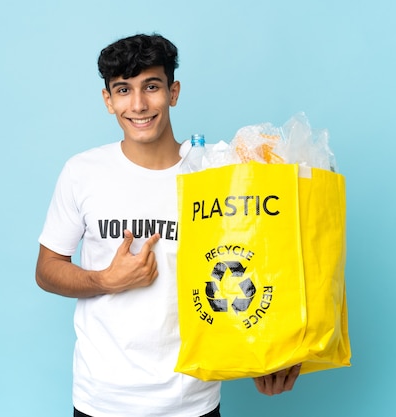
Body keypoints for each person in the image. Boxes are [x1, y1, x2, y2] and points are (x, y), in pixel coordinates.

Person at [35, 33, 300, 417]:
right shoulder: (82, 172)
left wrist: (272, 351)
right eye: (123, 90)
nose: (139, 104)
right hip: (101, 400)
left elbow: (261, 262)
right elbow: (47, 270)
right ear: (108, 100)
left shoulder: (216, 172)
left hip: (191, 401)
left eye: (152, 86)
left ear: (173, 92)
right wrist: (105, 280)